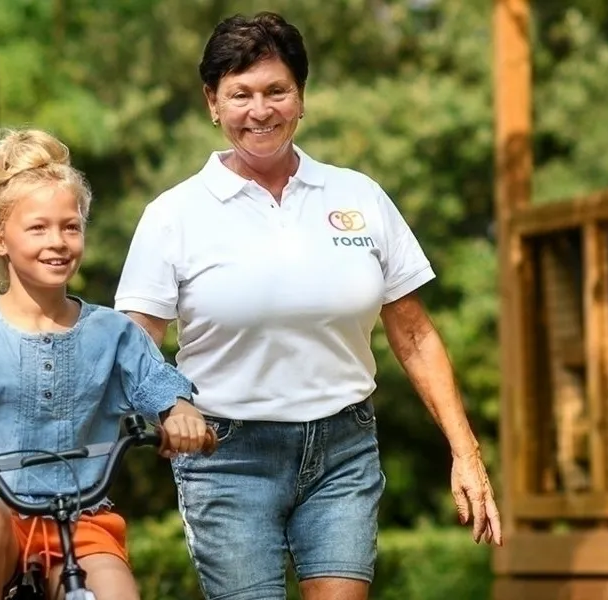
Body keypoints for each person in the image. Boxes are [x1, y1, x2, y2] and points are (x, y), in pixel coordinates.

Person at [113, 11, 502, 600]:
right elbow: (135, 343)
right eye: (240, 94)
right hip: (227, 455)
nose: (260, 110)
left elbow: (415, 335)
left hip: (342, 449)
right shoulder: (174, 214)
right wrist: (170, 408)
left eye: (277, 91)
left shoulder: (358, 196)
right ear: (211, 103)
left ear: (301, 98)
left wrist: (465, 452)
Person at [0, 128, 212, 600]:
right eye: (38, 228)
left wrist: (182, 416)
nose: (58, 241)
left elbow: (168, 396)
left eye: (71, 226)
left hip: (81, 518)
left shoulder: (113, 332)